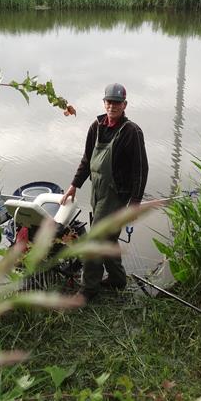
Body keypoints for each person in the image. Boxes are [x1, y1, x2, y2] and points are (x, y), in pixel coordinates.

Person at [61, 83, 148, 300]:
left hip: (116, 195)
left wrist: (135, 202)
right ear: (104, 103)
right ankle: (117, 279)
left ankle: (88, 290)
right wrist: (74, 185)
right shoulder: (96, 126)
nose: (112, 106)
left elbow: (140, 169)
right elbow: (87, 159)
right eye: (109, 101)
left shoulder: (132, 132)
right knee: (108, 237)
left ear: (124, 105)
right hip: (97, 190)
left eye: (117, 102)